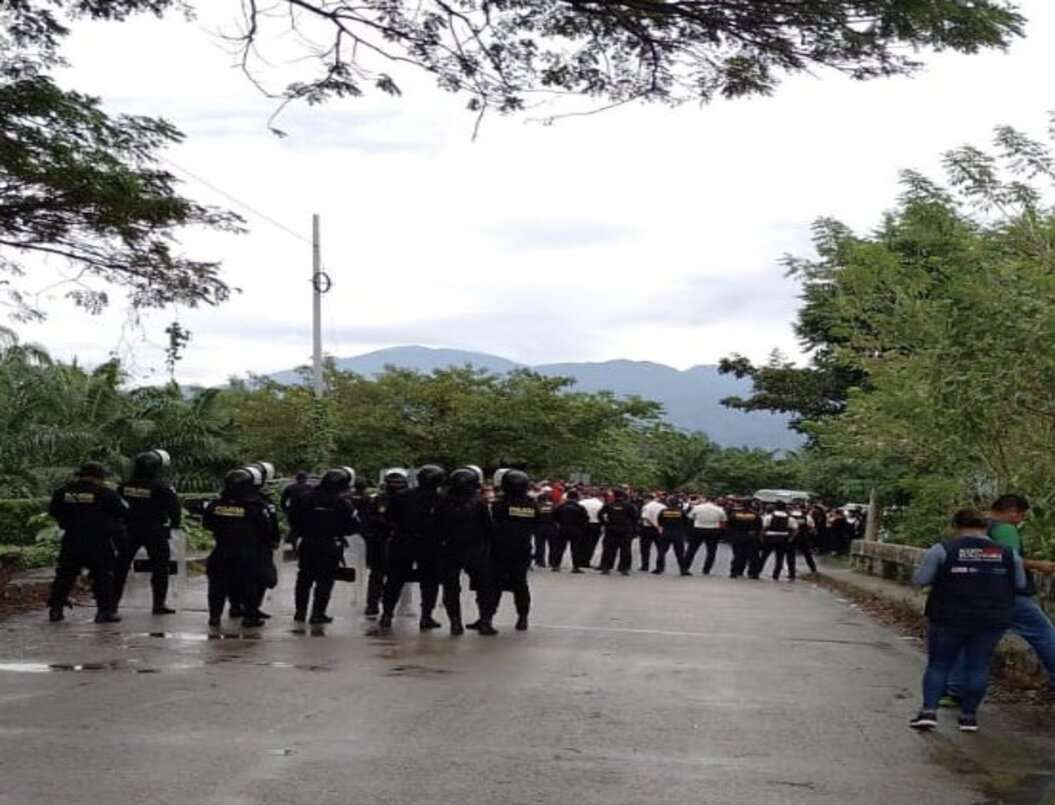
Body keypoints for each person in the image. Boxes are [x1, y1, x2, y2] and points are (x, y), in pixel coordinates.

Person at [910, 508, 1026, 732]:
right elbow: (1020, 585)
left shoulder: (942, 549)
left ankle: (928, 712)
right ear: (985, 527)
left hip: (948, 616)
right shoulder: (1008, 553)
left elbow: (921, 580)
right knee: (978, 666)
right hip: (991, 618)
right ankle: (969, 716)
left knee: (939, 664)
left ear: (955, 526)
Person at [944, 495, 1055, 703]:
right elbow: (1011, 560)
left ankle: (956, 691)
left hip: (974, 595)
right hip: (1008, 595)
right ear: (1012, 511)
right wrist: (1041, 565)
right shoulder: (1005, 529)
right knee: (1044, 634)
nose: (1019, 521)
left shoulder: (974, 526)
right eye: (1021, 516)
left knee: (970, 642)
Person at [47, 462, 128, 623]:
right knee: (103, 575)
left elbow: (54, 511)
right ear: (98, 477)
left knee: (64, 575)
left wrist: (68, 522)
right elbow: (121, 513)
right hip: (99, 541)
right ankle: (104, 612)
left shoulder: (63, 492)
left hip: (72, 539)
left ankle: (56, 609)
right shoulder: (106, 494)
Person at [202, 466, 280, 628]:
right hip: (247, 552)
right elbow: (266, 529)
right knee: (249, 584)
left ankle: (214, 617)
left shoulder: (216, 504)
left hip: (221, 550)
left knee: (217, 585)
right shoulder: (256, 506)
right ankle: (250, 617)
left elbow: (207, 524)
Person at [113, 449, 182, 616]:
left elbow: (116, 507)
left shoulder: (124, 486)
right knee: (160, 568)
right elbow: (174, 510)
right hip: (154, 531)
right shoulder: (161, 488)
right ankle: (158, 605)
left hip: (129, 530)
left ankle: (111, 606)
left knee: (120, 568)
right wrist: (174, 525)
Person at [379, 464, 445, 633]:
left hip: (403, 541)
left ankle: (387, 615)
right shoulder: (441, 500)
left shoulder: (401, 497)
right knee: (429, 581)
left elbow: (388, 518)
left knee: (394, 579)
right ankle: (426, 617)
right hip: (430, 543)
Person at [291, 467, 359, 625]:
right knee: (325, 580)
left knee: (304, 579)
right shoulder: (343, 504)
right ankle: (317, 614)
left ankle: (300, 613)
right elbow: (354, 527)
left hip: (308, 543)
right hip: (331, 545)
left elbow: (294, 519)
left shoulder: (305, 498)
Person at [434, 467, 496, 636]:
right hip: (475, 550)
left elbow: (435, 528)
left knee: (451, 588)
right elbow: (489, 528)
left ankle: (455, 623)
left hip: (450, 549)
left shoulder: (443, 503)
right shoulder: (479, 503)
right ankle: (485, 622)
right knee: (484, 587)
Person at [489, 470, 538, 631]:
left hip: (500, 550)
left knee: (494, 585)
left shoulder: (499, 505)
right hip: (522, 550)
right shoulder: (532, 505)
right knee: (520, 585)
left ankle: (487, 618)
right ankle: (523, 618)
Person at [598, 489, 638, 575]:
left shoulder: (609, 505)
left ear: (614, 496)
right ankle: (624, 568)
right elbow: (635, 517)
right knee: (625, 549)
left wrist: (605, 523)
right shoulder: (629, 505)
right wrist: (630, 525)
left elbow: (600, 514)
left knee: (609, 549)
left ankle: (606, 567)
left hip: (611, 529)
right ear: (623, 496)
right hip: (625, 530)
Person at [685, 497, 727, 575]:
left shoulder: (697, 508)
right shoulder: (719, 509)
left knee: (691, 550)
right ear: (715, 501)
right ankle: (706, 569)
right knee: (711, 551)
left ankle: (685, 567)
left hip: (698, 529)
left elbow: (690, 518)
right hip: (713, 530)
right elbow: (723, 522)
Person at [755, 502, 796, 580]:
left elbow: (763, 528)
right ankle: (776, 575)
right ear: (785, 508)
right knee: (780, 558)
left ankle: (757, 572)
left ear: (776, 507)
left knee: (764, 556)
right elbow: (795, 529)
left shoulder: (769, 517)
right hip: (783, 538)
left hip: (770, 537)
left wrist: (761, 537)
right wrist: (791, 538)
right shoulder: (790, 518)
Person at [554, 490, 591, 573]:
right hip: (576, 530)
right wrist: (581, 528)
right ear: (576, 498)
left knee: (560, 548)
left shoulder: (561, 507)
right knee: (576, 549)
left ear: (567, 498)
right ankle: (575, 567)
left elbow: (554, 516)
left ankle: (556, 565)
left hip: (563, 528)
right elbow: (586, 519)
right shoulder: (580, 508)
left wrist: (559, 523)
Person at [726, 500, 763, 579]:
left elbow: (729, 526)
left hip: (738, 536)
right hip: (751, 537)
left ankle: (734, 572)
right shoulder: (755, 515)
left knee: (737, 555)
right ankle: (753, 573)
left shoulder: (735, 514)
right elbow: (759, 527)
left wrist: (731, 536)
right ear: (751, 505)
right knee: (753, 556)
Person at [654, 495, 689, 575]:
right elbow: (686, 522)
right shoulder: (681, 512)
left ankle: (659, 569)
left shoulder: (663, 511)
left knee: (662, 552)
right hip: (678, 534)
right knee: (680, 553)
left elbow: (660, 522)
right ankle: (683, 570)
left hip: (666, 533)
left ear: (668, 502)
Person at [280, 472, 313, 545]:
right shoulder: (310, 488)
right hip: (306, 513)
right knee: (306, 531)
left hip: (293, 513)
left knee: (294, 529)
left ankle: (293, 543)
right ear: (305, 479)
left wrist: (286, 510)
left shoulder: (290, 488)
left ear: (296, 479)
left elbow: (282, 501)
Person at [639, 493, 664, 572]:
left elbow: (645, 518)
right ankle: (660, 567)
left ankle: (645, 566)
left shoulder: (646, 506)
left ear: (647, 499)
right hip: (661, 529)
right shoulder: (663, 506)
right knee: (660, 549)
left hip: (648, 529)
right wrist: (660, 526)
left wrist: (654, 525)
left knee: (645, 548)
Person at [535, 492, 560, 571]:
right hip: (551, 527)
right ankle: (552, 561)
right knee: (553, 546)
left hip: (539, 527)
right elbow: (558, 516)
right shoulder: (554, 506)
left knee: (539, 545)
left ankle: (540, 561)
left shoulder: (536, 506)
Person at [579, 491, 604, 568]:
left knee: (581, 543)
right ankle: (586, 561)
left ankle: (578, 560)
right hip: (595, 525)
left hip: (583, 524)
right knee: (591, 544)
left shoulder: (582, 502)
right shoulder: (600, 504)